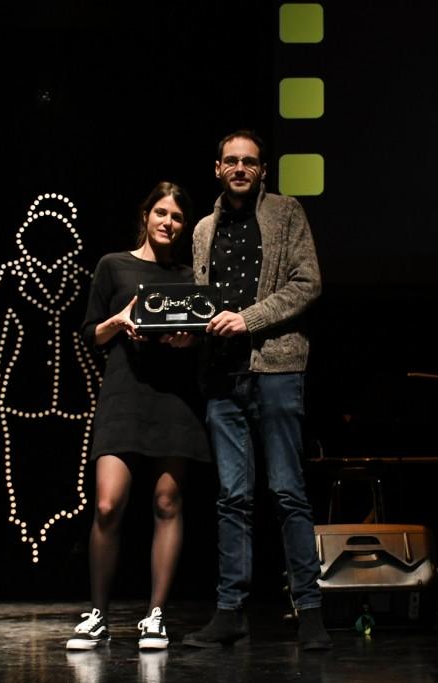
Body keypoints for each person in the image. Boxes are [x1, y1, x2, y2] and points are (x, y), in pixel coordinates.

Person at [181, 130, 331, 650]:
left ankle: (310, 611)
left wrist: (249, 319)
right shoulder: (203, 228)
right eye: (231, 161)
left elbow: (308, 282)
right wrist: (187, 330)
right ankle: (230, 612)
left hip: (277, 370)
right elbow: (200, 300)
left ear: (263, 170)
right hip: (222, 377)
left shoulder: (286, 213)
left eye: (249, 161)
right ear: (217, 168)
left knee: (287, 491)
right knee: (232, 498)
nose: (240, 168)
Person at [67, 181, 210, 651]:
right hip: (124, 395)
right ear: (146, 215)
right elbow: (90, 334)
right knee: (108, 505)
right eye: (161, 213)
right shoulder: (113, 265)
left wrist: (189, 340)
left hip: (173, 399)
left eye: (177, 217)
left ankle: (156, 615)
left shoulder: (190, 277)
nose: (168, 223)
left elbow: (202, 337)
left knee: (167, 503)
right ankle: (98, 615)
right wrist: (119, 320)